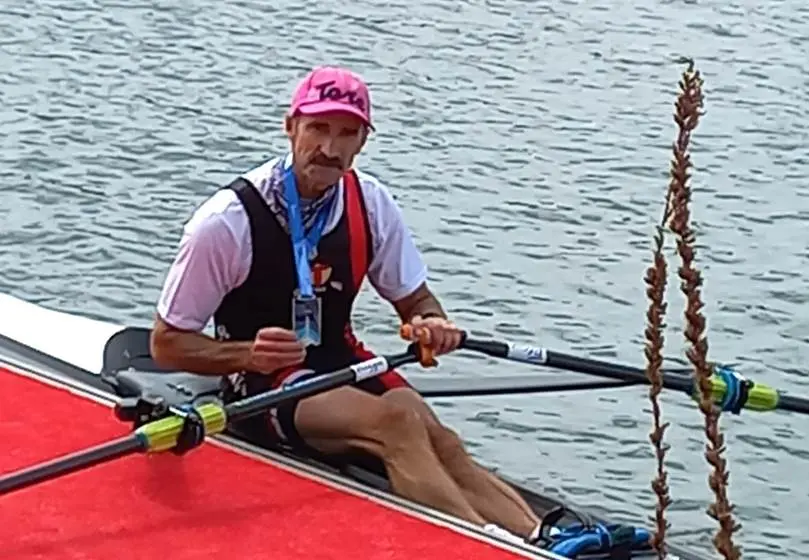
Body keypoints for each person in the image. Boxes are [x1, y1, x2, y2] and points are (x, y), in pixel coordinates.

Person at [150, 65, 543, 545]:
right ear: (290, 126)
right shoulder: (225, 224)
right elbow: (167, 344)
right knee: (397, 424)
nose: (330, 149)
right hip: (259, 380)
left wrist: (430, 324)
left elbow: (415, 299)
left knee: (438, 435)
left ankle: (540, 538)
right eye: (317, 129)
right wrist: (244, 354)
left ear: (363, 141)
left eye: (346, 134)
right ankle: (486, 542)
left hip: (339, 359)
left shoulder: (371, 202)